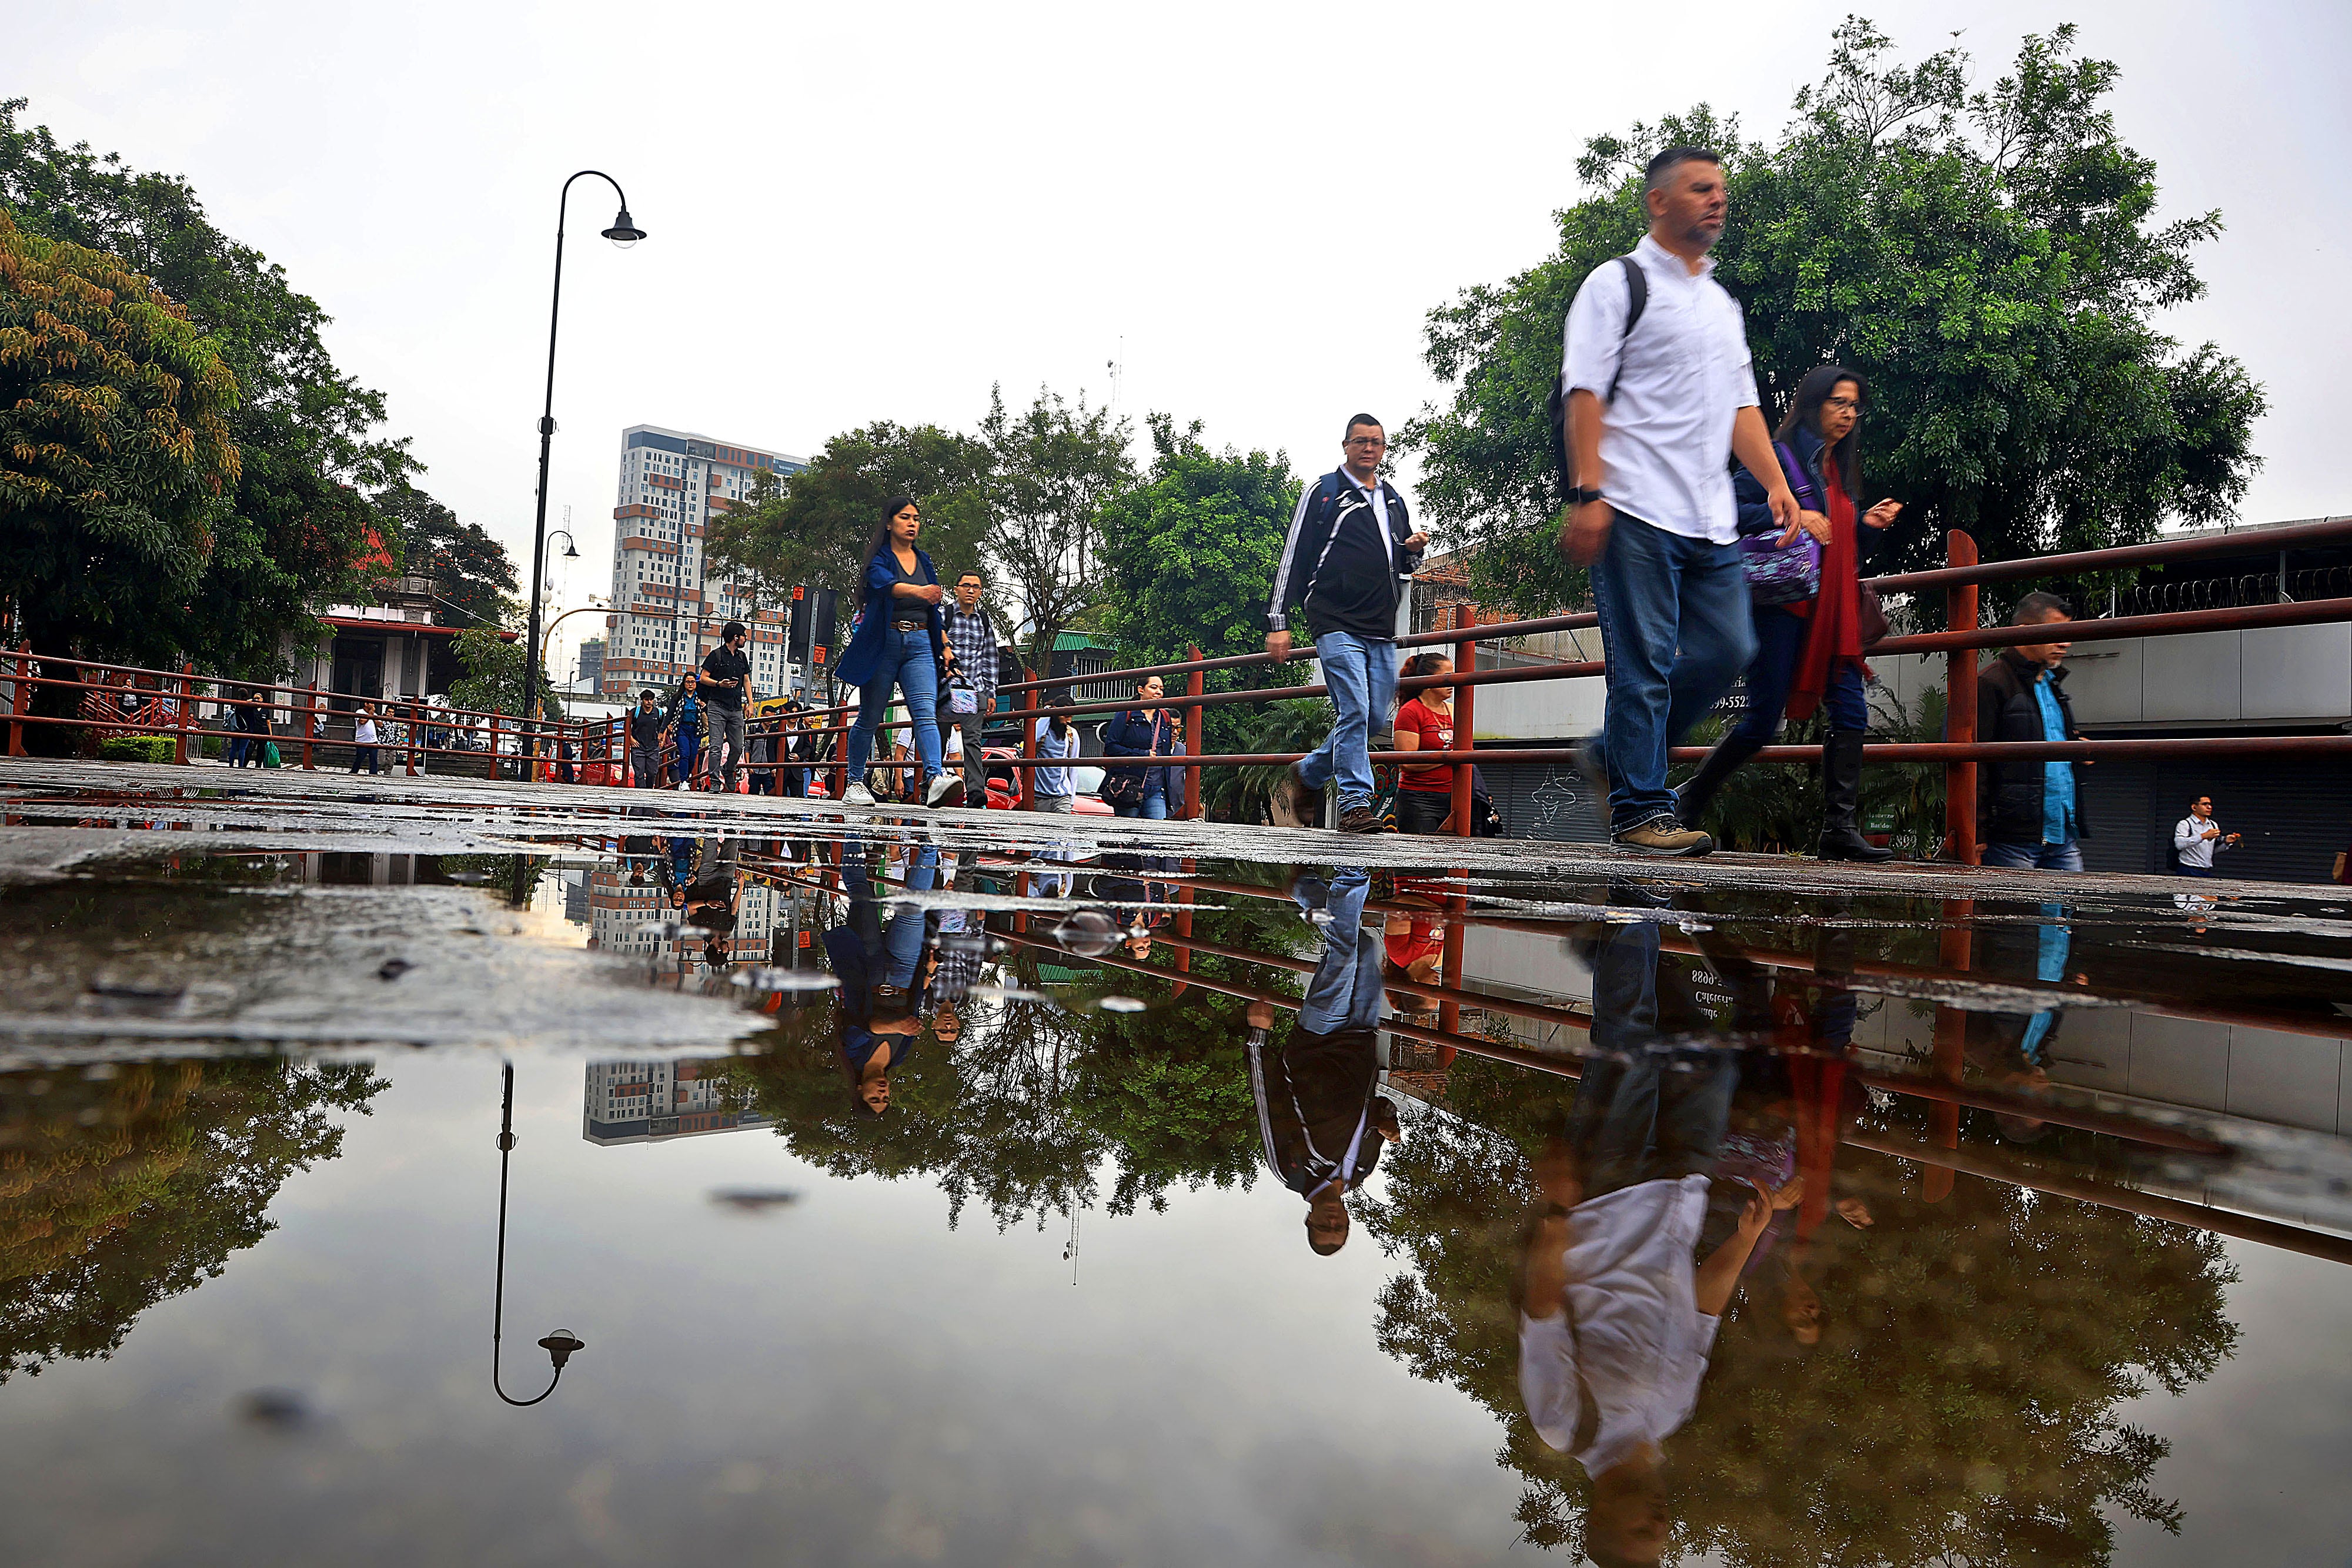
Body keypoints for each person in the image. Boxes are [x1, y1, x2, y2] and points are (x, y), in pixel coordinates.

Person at [1516, 907, 1780, 1568]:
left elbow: (1542, 1314)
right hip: (1679, 1189)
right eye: (1664, 1536)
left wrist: (1555, 1215)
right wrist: (1746, 1240)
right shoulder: (1671, 1415)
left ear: (1602, 1519)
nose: (1660, 1522)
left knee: (1629, 1038)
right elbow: (1703, 1311)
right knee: (1711, 1061)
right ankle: (1612, 944)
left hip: (1605, 1188)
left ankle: (1633, 887)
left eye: (1642, 1532)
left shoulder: (1564, 1427)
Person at [1559, 146, 1800, 857]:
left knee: (1731, 647)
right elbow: (1584, 393)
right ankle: (1640, 809)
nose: (1717, 200)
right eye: (1700, 189)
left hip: (1711, 516)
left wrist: (1778, 481)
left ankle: (1610, 755)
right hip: (1633, 507)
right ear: (1659, 201)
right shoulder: (1616, 284)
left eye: (1721, 190)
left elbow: (1742, 407)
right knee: (1644, 666)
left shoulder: (1721, 304)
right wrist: (1587, 492)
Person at [1676, 366, 1905, 861]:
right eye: (1838, 403)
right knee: (1761, 722)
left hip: (1832, 613)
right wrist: (1795, 514)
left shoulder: (1836, 469)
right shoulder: (1778, 458)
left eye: (1854, 406)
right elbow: (1729, 509)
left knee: (1850, 711)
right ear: (1813, 404)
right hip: (1783, 607)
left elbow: (1835, 546)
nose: (1848, 414)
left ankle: (1838, 830)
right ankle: (1690, 797)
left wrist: (1866, 524)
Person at [1265, 414, 1428, 834]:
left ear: (1384, 448)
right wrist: (1279, 619)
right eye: (1360, 441)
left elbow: (1402, 561)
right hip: (1334, 619)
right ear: (1346, 446)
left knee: (1374, 719)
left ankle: (1308, 773)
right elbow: (1294, 556)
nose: (1368, 448)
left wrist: (1413, 549)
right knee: (1353, 708)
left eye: (1376, 442)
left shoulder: (1392, 499)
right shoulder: (1324, 491)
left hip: (1380, 624)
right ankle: (1356, 805)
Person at [1246, 867, 1401, 1255]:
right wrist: (1388, 1121)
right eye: (1340, 1227)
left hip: (1315, 1042)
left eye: (1324, 1227)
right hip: (1362, 1038)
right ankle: (1307, 891)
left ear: (1310, 1220)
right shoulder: (1362, 1171)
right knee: (1364, 948)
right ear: (1347, 1221)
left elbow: (1267, 1102)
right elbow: (1375, 1109)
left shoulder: (1290, 1170)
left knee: (1345, 956)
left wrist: (1258, 1036)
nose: (1333, 1221)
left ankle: (1354, 869)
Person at [834, 496, 964, 810]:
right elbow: (885, 586)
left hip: (920, 643)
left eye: (916, 519)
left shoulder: (924, 560)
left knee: (925, 713)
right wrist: (920, 591)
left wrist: (944, 646)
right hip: (885, 642)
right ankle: (854, 783)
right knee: (870, 716)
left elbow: (933, 609)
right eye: (905, 518)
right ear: (890, 523)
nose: (912, 524)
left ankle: (934, 777)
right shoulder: (880, 559)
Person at [1976, 592, 2087, 871]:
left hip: (2063, 832)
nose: (2066, 643)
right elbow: (1971, 763)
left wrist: (2077, 746)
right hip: (2011, 838)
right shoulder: (1990, 683)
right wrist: (1976, 832)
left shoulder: (2052, 683)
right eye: (2055, 633)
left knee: (2068, 913)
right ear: (2024, 632)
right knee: (2016, 914)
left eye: (2068, 632)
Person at [938, 570, 998, 805]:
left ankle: (975, 792)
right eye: (966, 586)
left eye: (976, 587)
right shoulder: (945, 614)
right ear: (957, 589)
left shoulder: (983, 620)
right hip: (946, 690)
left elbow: (990, 657)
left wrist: (991, 693)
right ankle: (929, 785)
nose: (971, 590)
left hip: (974, 690)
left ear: (980, 592)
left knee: (972, 740)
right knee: (940, 738)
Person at [1391, 653, 1458, 834]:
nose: (1453, 681)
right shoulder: (1411, 711)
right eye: (1447, 676)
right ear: (1429, 680)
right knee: (1421, 858)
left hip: (1454, 797)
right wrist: (1449, 756)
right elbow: (1407, 762)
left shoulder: (1453, 709)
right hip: (1420, 798)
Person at [1101, 674, 1185, 820]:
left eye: (1161, 689)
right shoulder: (1126, 713)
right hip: (1130, 785)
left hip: (1157, 788)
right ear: (1141, 690)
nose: (1159, 692)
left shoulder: (1165, 717)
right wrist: (1141, 754)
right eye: (1153, 687)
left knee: (1156, 834)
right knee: (1129, 834)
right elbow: (1111, 747)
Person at [699, 621, 753, 791]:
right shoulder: (716, 655)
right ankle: (714, 780)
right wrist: (718, 684)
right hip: (717, 706)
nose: (746, 639)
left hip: (736, 707)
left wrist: (750, 703)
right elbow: (703, 678)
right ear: (735, 638)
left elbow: (746, 680)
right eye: (743, 636)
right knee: (716, 746)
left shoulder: (742, 657)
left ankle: (729, 769)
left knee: (738, 746)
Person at [1030, 698, 1078, 813]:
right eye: (1066, 716)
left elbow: (1074, 766)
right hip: (1039, 795)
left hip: (1062, 796)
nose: (1069, 721)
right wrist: (1048, 713)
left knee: (1064, 829)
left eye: (1071, 716)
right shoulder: (1043, 732)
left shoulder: (1071, 735)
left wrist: (1072, 798)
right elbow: (1033, 738)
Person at [2173, 794, 2239, 877]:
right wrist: (2203, 836)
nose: (2209, 807)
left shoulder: (2213, 825)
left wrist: (2226, 843)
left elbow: (2211, 851)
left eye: (2210, 804)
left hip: (2206, 871)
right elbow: (2179, 845)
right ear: (2194, 807)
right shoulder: (2185, 824)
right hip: (2188, 870)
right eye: (2205, 804)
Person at [666, 673, 705, 790]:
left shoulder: (700, 697)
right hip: (682, 728)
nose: (690, 684)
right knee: (684, 754)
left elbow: (708, 712)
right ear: (684, 683)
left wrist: (703, 705)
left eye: (693, 682)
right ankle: (683, 781)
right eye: (688, 682)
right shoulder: (678, 697)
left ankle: (686, 777)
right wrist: (663, 730)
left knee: (692, 757)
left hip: (696, 730)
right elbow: (670, 714)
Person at [626, 688, 665, 788]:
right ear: (642, 701)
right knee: (639, 773)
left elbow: (664, 727)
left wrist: (662, 739)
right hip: (638, 747)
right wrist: (631, 739)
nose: (649, 702)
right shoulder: (636, 712)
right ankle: (641, 793)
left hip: (653, 747)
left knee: (652, 773)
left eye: (651, 700)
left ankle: (649, 791)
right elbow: (626, 726)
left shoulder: (659, 713)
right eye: (647, 700)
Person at [351, 702, 380, 775]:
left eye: (374, 703)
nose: (373, 705)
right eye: (371, 703)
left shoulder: (374, 713)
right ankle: (354, 772)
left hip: (373, 740)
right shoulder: (360, 712)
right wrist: (370, 714)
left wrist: (373, 716)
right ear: (366, 704)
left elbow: (380, 725)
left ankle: (373, 774)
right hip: (362, 740)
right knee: (359, 758)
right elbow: (362, 721)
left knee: (374, 759)